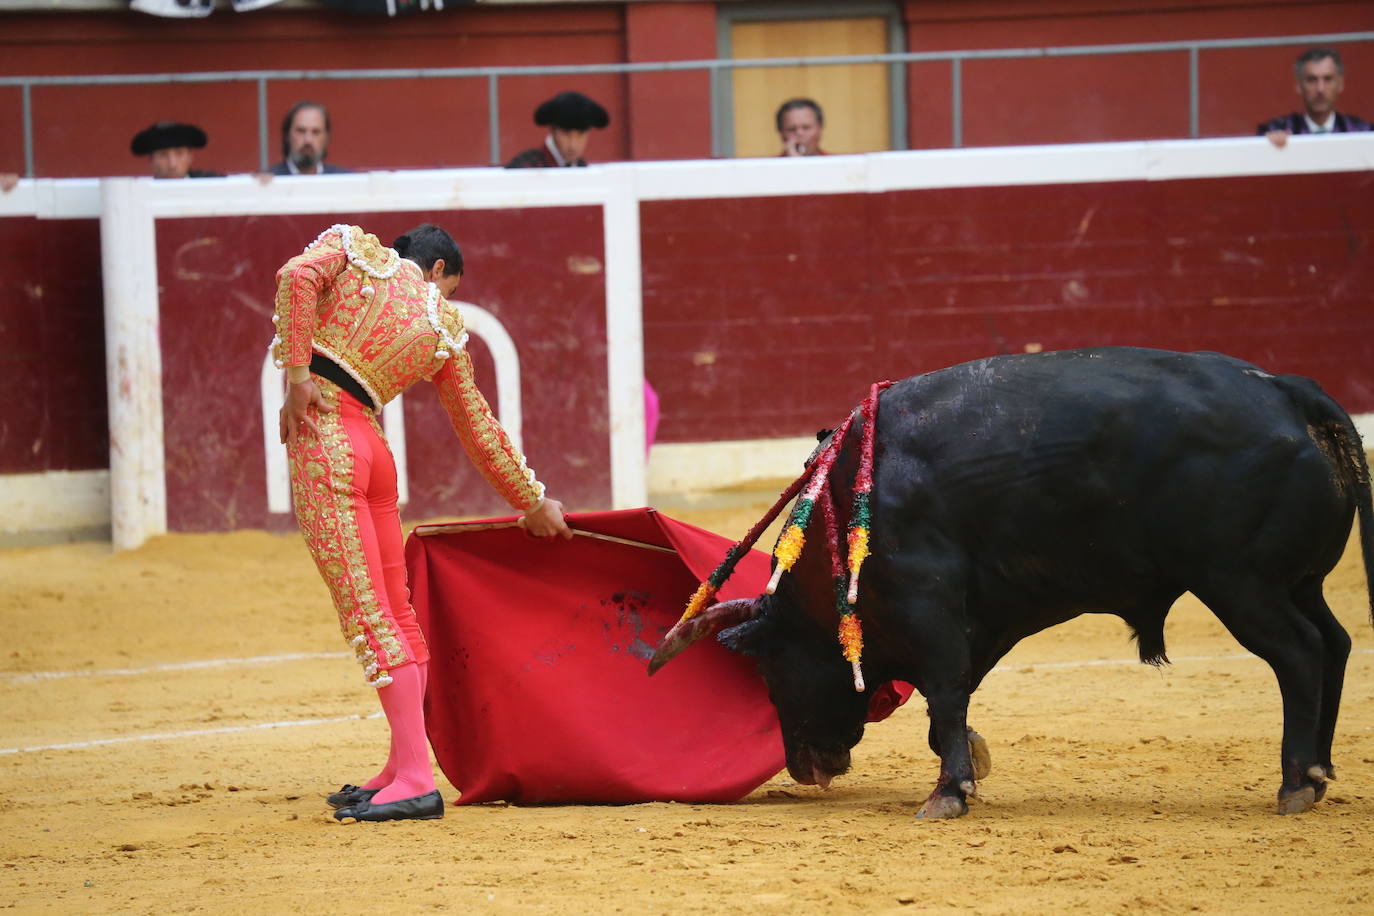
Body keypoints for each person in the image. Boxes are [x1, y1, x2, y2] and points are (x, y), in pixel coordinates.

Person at [272, 222, 572, 823]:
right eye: (451, 288)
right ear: (436, 270)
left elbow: (294, 276)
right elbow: (478, 428)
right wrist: (532, 500)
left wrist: (299, 377)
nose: (447, 300)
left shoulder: (356, 255)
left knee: (370, 612)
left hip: (329, 442)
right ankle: (400, 763)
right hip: (375, 454)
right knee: (397, 610)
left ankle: (414, 776)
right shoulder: (440, 327)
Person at [1258, 46, 1371, 148]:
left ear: (1340, 84)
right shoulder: (1278, 129)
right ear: (1299, 85)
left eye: (1327, 79)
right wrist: (1268, 147)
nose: (1320, 89)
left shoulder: (1362, 131)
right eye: (1312, 80)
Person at [504, 91, 609, 168]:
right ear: (552, 130)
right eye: (565, 134)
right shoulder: (526, 167)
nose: (573, 145)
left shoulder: (582, 167)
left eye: (581, 134)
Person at [271, 101, 350, 175]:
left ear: (326, 138)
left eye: (316, 132)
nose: (308, 140)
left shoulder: (345, 181)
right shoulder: (270, 182)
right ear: (287, 135)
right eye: (301, 131)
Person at [130, 121, 222, 178]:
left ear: (189, 157)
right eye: (163, 155)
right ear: (151, 160)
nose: (172, 165)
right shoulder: (140, 193)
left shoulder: (211, 184)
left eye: (179, 154)